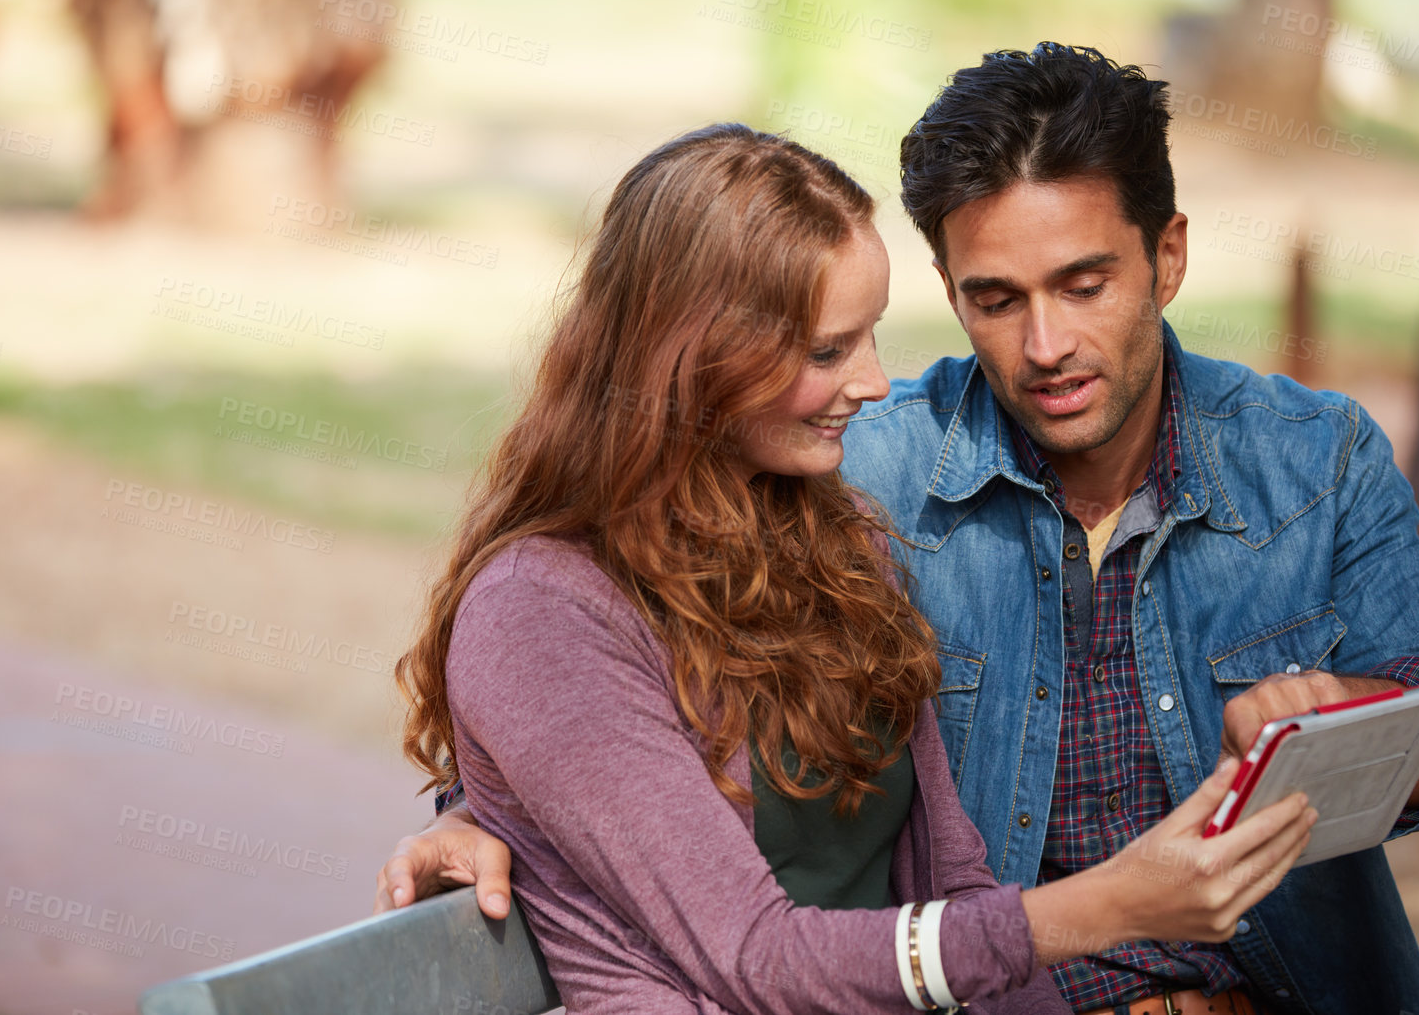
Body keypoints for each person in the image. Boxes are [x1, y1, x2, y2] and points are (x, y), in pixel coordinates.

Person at [392, 122, 1317, 1015]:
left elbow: (947, 876)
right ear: (697, 360)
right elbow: (758, 958)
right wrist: (1108, 903)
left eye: (870, 334)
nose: (873, 382)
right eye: (828, 351)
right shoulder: (542, 608)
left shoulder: (834, 539)